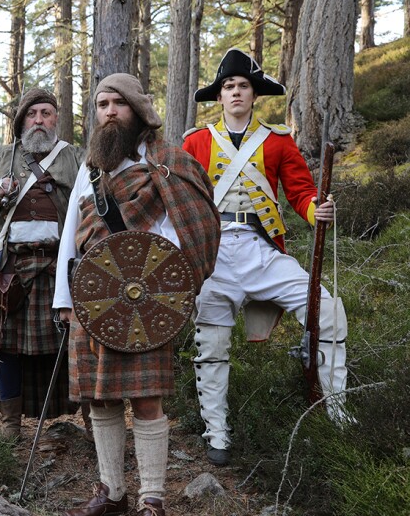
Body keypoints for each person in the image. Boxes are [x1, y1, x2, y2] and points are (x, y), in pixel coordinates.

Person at [54, 73, 220, 516]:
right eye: (102, 104)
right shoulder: (91, 169)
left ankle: (152, 498)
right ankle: (111, 491)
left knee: (147, 399)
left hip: (146, 307)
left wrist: (169, 293)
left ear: (138, 111)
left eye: (118, 103)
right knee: (100, 398)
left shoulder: (169, 164)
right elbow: (69, 238)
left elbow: (190, 234)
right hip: (93, 301)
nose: (109, 111)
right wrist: (65, 302)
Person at [182, 48, 350, 467]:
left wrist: (317, 210)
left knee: (327, 311)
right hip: (214, 255)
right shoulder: (195, 141)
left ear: (254, 95)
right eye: (228, 87)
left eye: (242, 86)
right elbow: (180, 198)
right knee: (211, 343)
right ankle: (216, 431)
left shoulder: (278, 141)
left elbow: (299, 190)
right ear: (218, 97)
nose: (236, 92)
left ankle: (338, 413)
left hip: (262, 251)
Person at [0, 88, 86, 441]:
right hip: (10, 269)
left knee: (63, 346)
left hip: (61, 269)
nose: (40, 120)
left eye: (46, 113)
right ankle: (11, 425)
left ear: (56, 118)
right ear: (21, 121)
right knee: (5, 344)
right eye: (33, 114)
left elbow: (93, 208)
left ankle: (74, 424)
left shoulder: (76, 158)